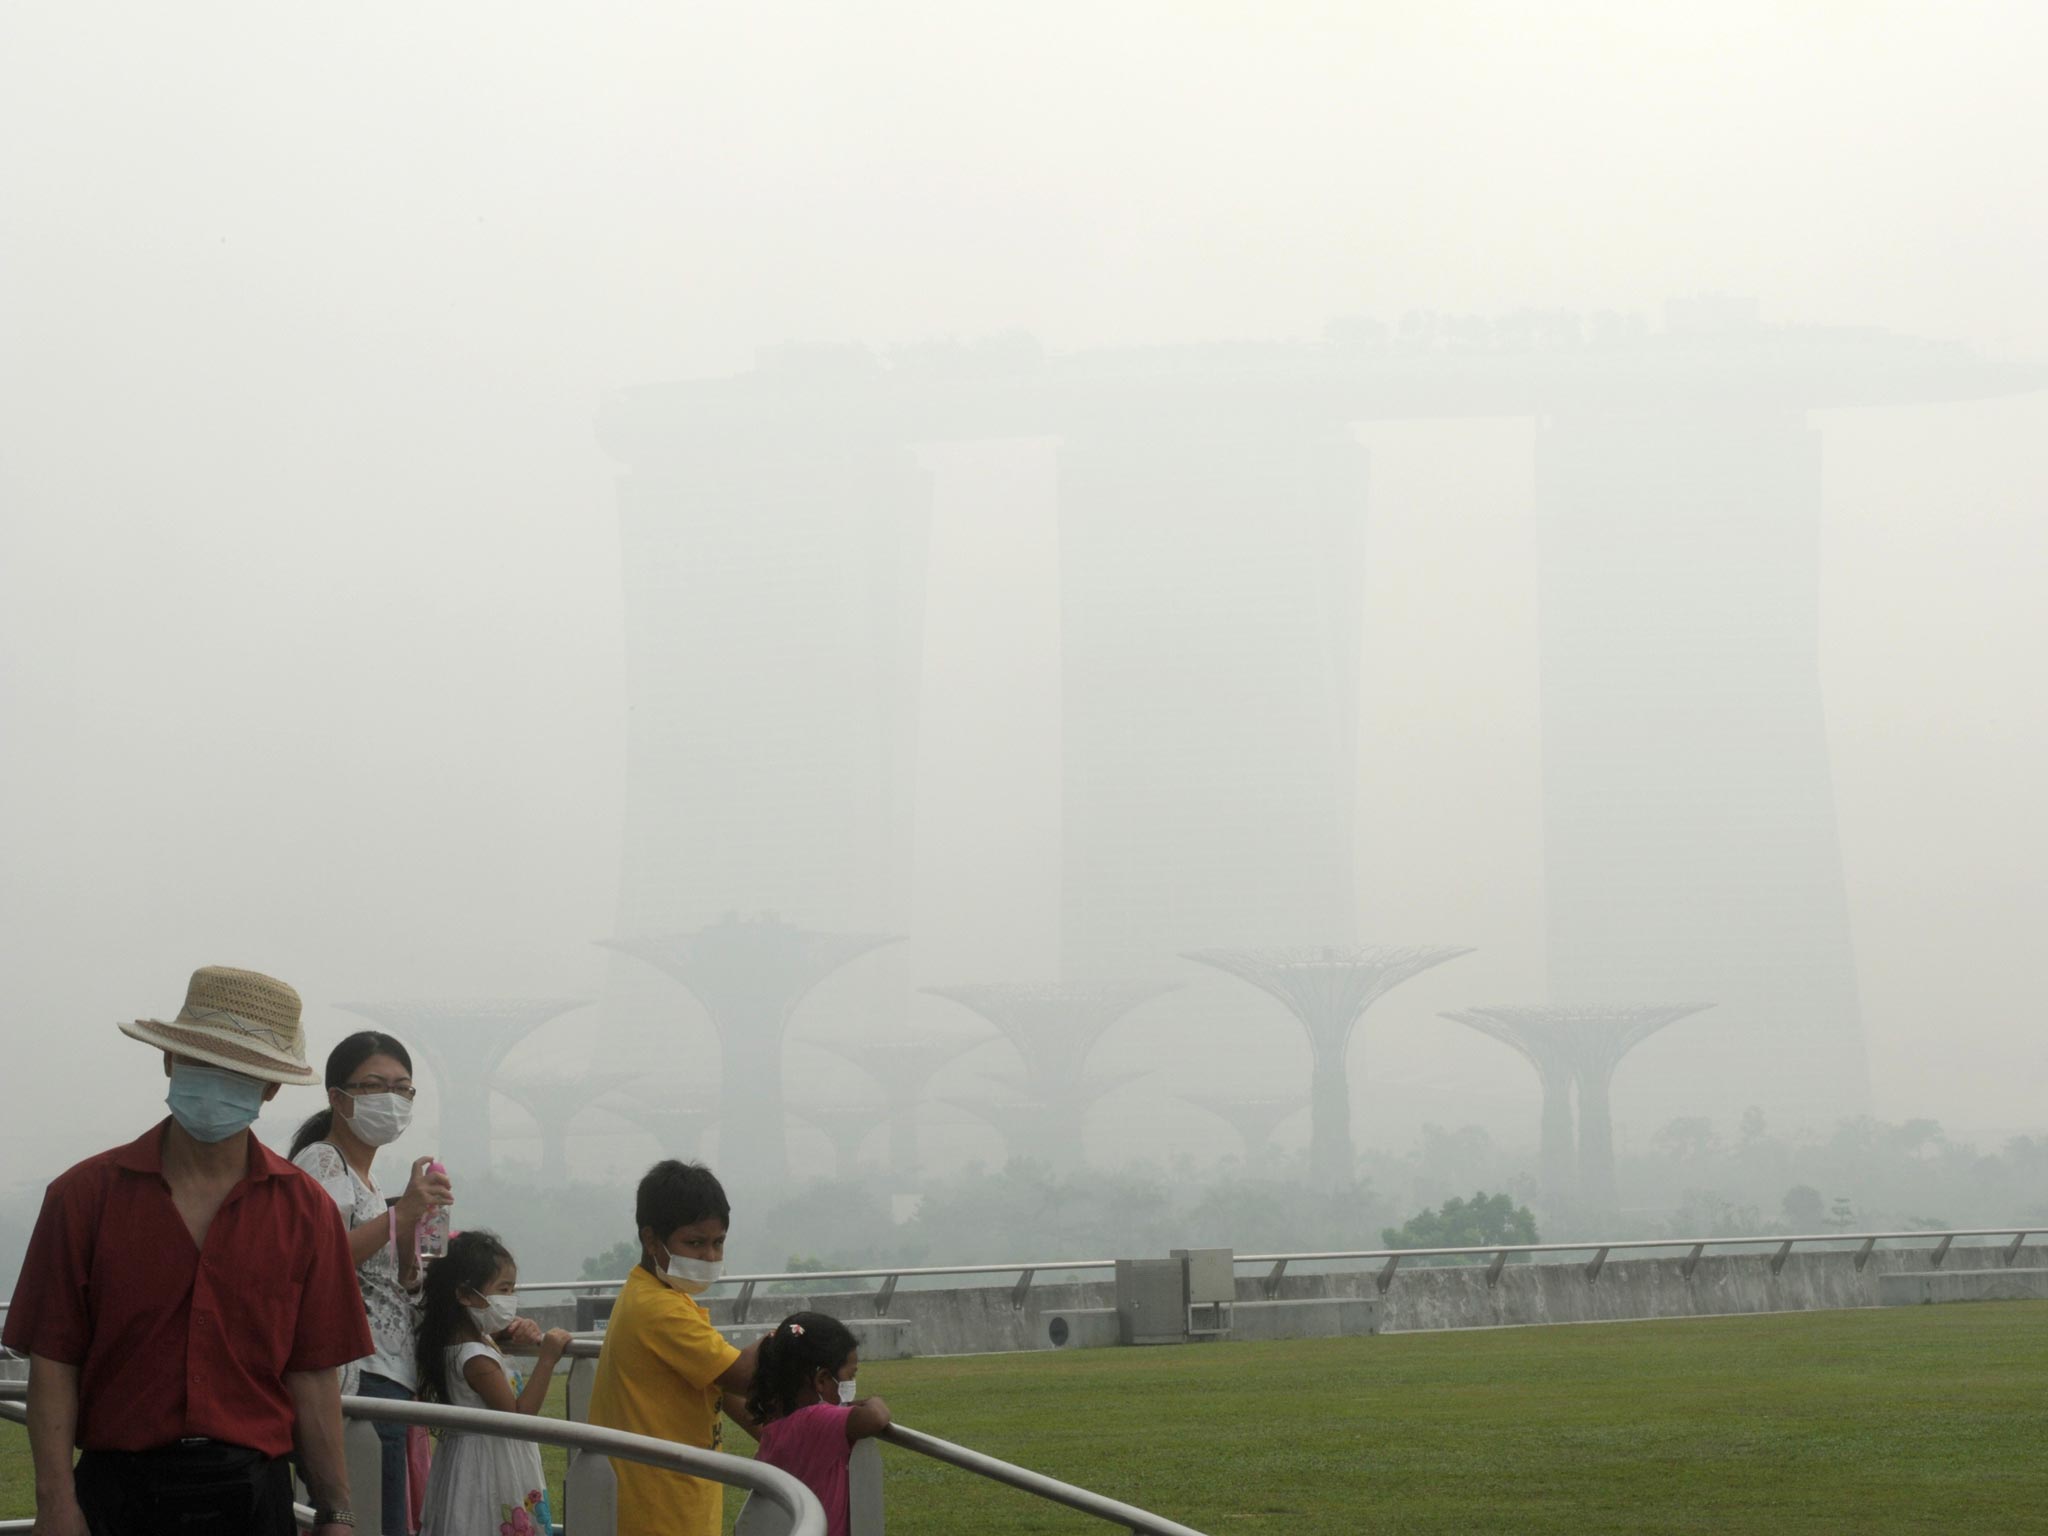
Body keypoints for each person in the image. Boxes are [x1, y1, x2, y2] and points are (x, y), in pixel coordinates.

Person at [2, 965, 372, 1536]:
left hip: (254, 1496)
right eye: (202, 1062)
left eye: (239, 1071)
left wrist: (336, 1510)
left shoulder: (308, 1212)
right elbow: (54, 1362)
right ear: (170, 1060)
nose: (217, 1083)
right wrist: (55, 1504)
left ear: (270, 1088)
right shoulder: (82, 1197)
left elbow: (313, 1375)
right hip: (116, 1494)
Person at [289, 1031, 452, 1536]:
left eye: (403, 1089)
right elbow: (318, 1259)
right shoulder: (323, 1162)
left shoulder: (369, 1179)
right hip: (354, 1373)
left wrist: (411, 1229)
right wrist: (400, 1214)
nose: (392, 1099)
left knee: (386, 1515)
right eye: (375, 1085)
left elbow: (384, 1279)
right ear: (338, 1098)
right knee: (371, 1517)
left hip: (388, 1371)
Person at [585, 1159, 760, 1536]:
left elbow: (718, 1384)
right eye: (695, 1243)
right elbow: (744, 1377)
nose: (710, 1257)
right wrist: (794, 1335)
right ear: (651, 1240)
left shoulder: (658, 1294)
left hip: (679, 1498)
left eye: (718, 1243)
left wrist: (795, 1433)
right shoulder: (659, 1308)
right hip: (660, 1510)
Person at [414, 1229, 570, 1536]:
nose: (509, 1299)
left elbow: (489, 1333)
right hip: (489, 1466)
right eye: (503, 1289)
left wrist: (511, 1330)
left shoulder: (461, 1341)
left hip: (469, 1459)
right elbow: (519, 1417)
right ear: (464, 1294)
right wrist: (547, 1359)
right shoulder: (477, 1359)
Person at [734, 1313, 891, 1536]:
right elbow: (875, 1417)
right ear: (822, 1380)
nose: (851, 1383)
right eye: (850, 1375)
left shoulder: (777, 1423)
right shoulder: (815, 1419)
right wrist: (872, 1401)